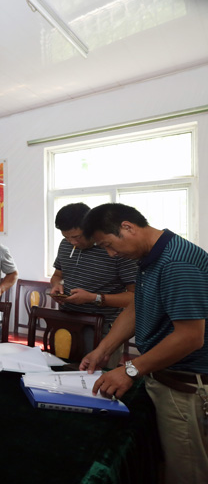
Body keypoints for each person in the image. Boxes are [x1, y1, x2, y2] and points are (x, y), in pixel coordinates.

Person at [79, 203, 208, 484]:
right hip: (162, 375)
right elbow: (138, 306)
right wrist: (103, 349)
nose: (111, 254)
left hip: (185, 384)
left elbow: (190, 337)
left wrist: (130, 370)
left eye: (108, 245)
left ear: (127, 227)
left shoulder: (176, 263)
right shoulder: (153, 257)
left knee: (186, 471)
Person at [50, 203, 137, 367]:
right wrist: (56, 285)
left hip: (102, 328)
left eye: (77, 237)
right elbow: (57, 276)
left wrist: (94, 298)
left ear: (90, 227)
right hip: (67, 323)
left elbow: (134, 297)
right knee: (62, 370)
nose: (73, 242)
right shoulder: (65, 245)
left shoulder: (115, 248)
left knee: (95, 375)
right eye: (67, 237)